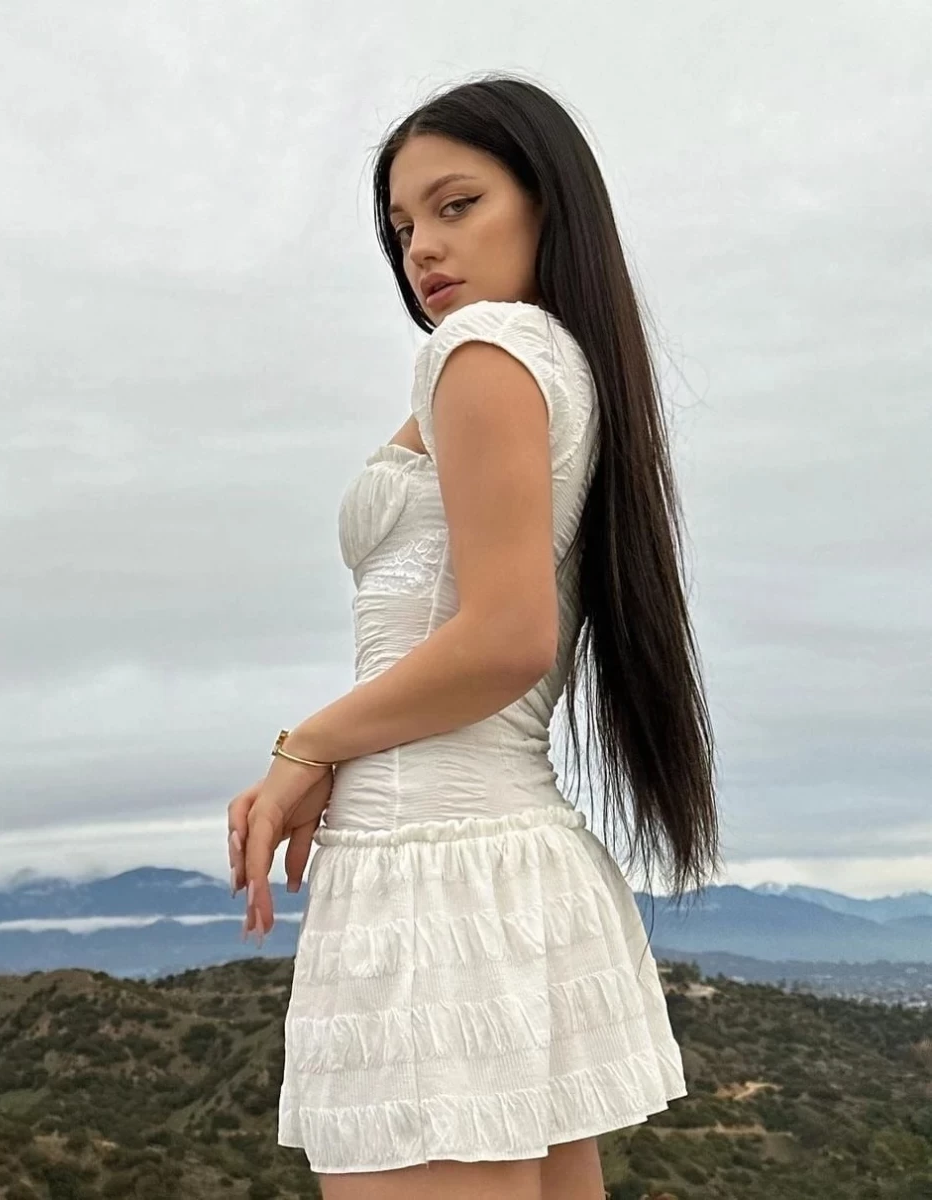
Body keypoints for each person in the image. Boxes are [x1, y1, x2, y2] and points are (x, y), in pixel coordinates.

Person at [226, 72, 722, 1200]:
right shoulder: (567, 361)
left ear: (548, 203)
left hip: (434, 872)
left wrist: (306, 746)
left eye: (457, 205)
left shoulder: (486, 349)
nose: (423, 249)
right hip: (504, 860)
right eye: (403, 226)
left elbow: (506, 637)